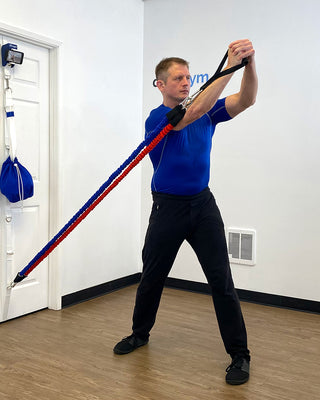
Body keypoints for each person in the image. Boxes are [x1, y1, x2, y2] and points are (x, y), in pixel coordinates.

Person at [113, 39, 258, 386]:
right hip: (168, 208)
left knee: (221, 281)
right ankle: (139, 334)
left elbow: (246, 99)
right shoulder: (158, 118)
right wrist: (229, 66)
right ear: (160, 84)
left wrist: (248, 65)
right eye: (178, 78)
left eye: (188, 78)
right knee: (153, 276)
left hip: (203, 206)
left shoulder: (208, 111)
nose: (185, 82)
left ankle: (240, 355)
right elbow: (187, 115)